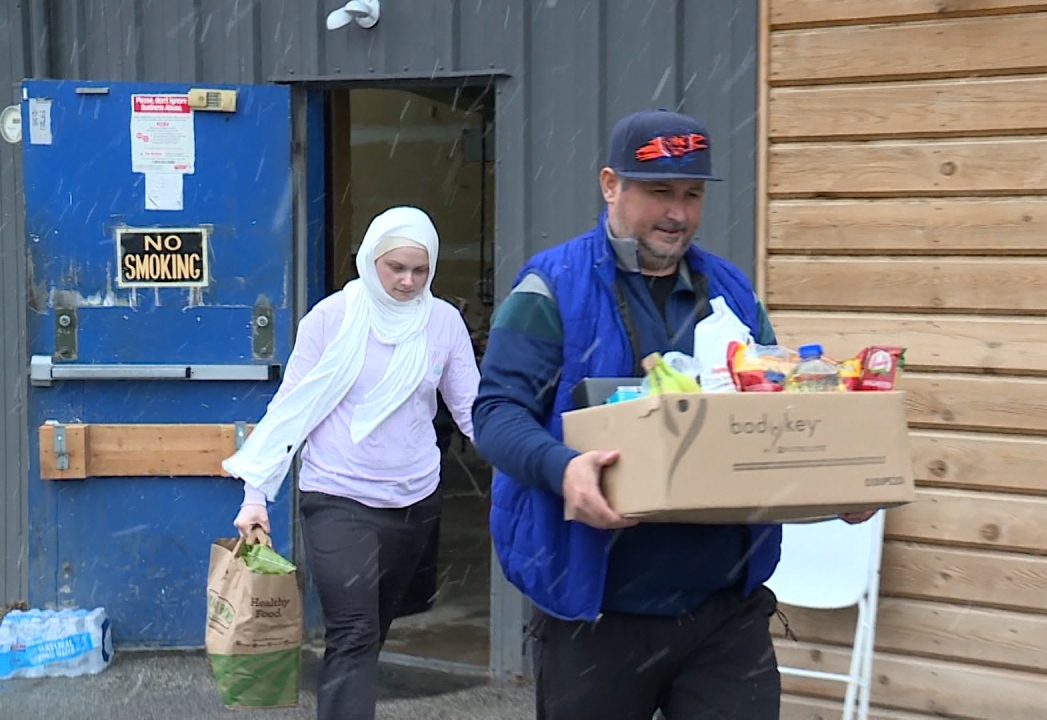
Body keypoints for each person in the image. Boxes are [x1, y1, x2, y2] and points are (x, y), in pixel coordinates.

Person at [472, 110, 875, 720]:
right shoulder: (551, 287)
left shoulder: (732, 293)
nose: (678, 213)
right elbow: (497, 414)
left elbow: (776, 412)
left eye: (692, 195)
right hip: (597, 613)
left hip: (725, 612)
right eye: (659, 192)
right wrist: (564, 470)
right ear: (611, 185)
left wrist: (836, 479)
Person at [223, 206, 480, 720]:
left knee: (373, 631)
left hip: (414, 503)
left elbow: (473, 410)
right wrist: (255, 496)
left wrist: (537, 462)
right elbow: (290, 407)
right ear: (370, 260)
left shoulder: (443, 323)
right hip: (336, 496)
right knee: (354, 631)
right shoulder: (331, 320)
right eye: (396, 268)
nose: (408, 281)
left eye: (420, 270)